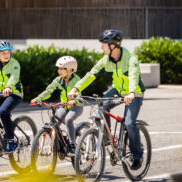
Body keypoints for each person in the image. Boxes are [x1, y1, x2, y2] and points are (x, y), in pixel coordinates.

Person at [68, 29, 146, 170]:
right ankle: (106, 138)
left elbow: (134, 76)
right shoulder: (106, 59)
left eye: (103, 44)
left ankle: (137, 154)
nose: (101, 47)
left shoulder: (131, 57)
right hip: (118, 90)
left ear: (113, 45)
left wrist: (132, 92)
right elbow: (92, 74)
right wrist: (76, 88)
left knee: (129, 123)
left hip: (135, 92)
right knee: (102, 105)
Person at [31, 56, 83, 157]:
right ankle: (60, 144)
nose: (59, 71)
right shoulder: (58, 80)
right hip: (64, 105)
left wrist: (74, 100)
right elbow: (49, 90)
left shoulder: (77, 80)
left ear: (70, 70)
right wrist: (38, 98)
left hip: (76, 105)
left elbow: (79, 92)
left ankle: (72, 146)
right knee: (52, 123)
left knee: (68, 119)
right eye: (58, 68)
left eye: (61, 68)